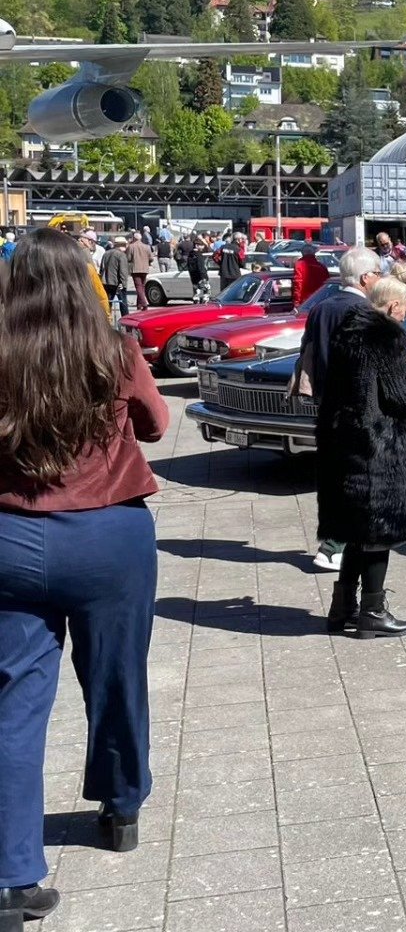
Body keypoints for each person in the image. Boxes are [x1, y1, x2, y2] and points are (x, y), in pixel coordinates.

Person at [0, 229, 170, 928]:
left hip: (11, 537)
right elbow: (157, 426)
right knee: (116, 679)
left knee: (13, 701)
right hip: (108, 535)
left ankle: (14, 876)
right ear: (84, 280)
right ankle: (120, 804)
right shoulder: (115, 349)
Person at [316, 275, 406, 638]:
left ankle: (342, 607)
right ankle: (373, 612)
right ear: (394, 307)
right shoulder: (386, 337)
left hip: (344, 444)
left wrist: (400, 367)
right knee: (380, 530)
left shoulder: (347, 332)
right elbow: (403, 399)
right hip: (379, 448)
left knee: (353, 529)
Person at [292, 248, 383, 571]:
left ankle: (337, 543)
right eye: (378, 273)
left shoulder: (320, 308)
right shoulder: (364, 310)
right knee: (354, 477)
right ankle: (334, 547)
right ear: (365, 277)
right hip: (356, 407)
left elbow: (309, 352)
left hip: (326, 404)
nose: (381, 278)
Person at [99, 236, 130, 317]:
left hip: (105, 282)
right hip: (117, 283)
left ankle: (106, 321)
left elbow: (101, 269)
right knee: (123, 304)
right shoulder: (121, 255)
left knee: (107, 304)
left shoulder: (106, 253)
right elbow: (123, 271)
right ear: (123, 245)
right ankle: (126, 323)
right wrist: (124, 284)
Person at [127, 231, 153, 311]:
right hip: (145, 269)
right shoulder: (147, 247)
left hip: (135, 269)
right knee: (142, 287)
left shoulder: (131, 246)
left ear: (134, 238)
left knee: (138, 287)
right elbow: (151, 258)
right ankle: (139, 304)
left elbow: (128, 258)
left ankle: (144, 304)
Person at [184, 235, 211, 303]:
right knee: (206, 291)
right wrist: (204, 277)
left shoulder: (190, 255)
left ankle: (196, 303)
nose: (203, 247)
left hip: (193, 277)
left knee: (196, 292)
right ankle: (205, 303)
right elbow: (201, 267)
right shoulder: (199, 255)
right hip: (201, 276)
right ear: (196, 245)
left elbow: (189, 266)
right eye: (201, 245)